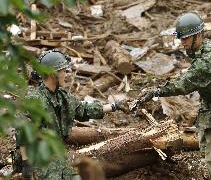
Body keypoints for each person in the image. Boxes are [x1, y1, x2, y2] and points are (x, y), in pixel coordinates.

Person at [140, 12, 211, 180]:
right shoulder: (208, 45)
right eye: (181, 39)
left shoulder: (207, 59)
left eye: (185, 38)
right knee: (208, 151)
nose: (182, 42)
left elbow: (185, 84)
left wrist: (157, 91)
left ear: (198, 35)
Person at [16, 49, 127, 180]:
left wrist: (114, 106)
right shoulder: (35, 99)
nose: (66, 74)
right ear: (53, 74)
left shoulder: (62, 96)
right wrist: (26, 163)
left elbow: (84, 109)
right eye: (63, 71)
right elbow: (22, 130)